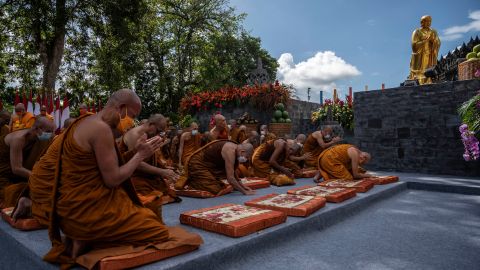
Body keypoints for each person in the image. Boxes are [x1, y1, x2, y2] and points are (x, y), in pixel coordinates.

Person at [40, 89, 201, 267]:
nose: (132, 122)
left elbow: (101, 168)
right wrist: (140, 155)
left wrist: (136, 152)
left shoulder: (85, 121)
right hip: (85, 212)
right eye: (132, 115)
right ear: (122, 108)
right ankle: (90, 239)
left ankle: (86, 237)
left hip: (71, 207)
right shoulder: (101, 129)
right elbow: (112, 179)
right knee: (157, 230)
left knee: (145, 212)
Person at [119, 113, 180, 207]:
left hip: (145, 175)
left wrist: (165, 170)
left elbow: (153, 158)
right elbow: (136, 163)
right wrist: (162, 171)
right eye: (158, 131)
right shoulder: (135, 135)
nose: (158, 134)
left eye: (161, 132)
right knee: (147, 197)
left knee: (167, 190)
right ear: (151, 124)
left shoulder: (149, 136)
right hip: (131, 175)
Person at [0, 117, 54, 206]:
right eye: (48, 131)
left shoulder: (36, 138)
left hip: (20, 176)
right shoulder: (18, 139)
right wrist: (39, 177)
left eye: (52, 132)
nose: (50, 135)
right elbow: (16, 168)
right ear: (36, 129)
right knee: (13, 194)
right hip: (4, 174)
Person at [175, 140, 255, 196]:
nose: (246, 159)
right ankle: (192, 182)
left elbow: (233, 172)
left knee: (221, 186)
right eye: (247, 157)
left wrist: (243, 186)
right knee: (215, 189)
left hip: (209, 165)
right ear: (242, 152)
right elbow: (230, 178)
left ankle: (198, 179)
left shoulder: (236, 149)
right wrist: (244, 192)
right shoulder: (230, 152)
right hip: (198, 164)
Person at [409, 15, 440, 85]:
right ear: (422, 22)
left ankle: (428, 77)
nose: (429, 23)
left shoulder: (433, 32)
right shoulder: (417, 31)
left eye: (430, 21)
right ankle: (418, 79)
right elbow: (414, 45)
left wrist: (434, 41)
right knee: (419, 73)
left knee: (428, 70)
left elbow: (438, 42)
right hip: (419, 56)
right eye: (427, 21)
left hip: (429, 55)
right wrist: (425, 41)